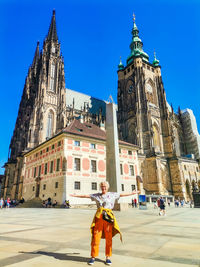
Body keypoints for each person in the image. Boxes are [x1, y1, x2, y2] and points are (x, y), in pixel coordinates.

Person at [70, 181, 139, 265]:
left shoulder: (113, 194)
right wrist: (75, 195)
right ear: (100, 187)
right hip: (99, 218)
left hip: (108, 218)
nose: (103, 187)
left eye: (105, 186)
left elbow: (122, 194)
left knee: (108, 238)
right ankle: (93, 256)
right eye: (102, 186)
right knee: (96, 237)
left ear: (108, 187)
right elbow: (86, 196)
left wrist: (133, 193)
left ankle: (108, 257)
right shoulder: (96, 195)